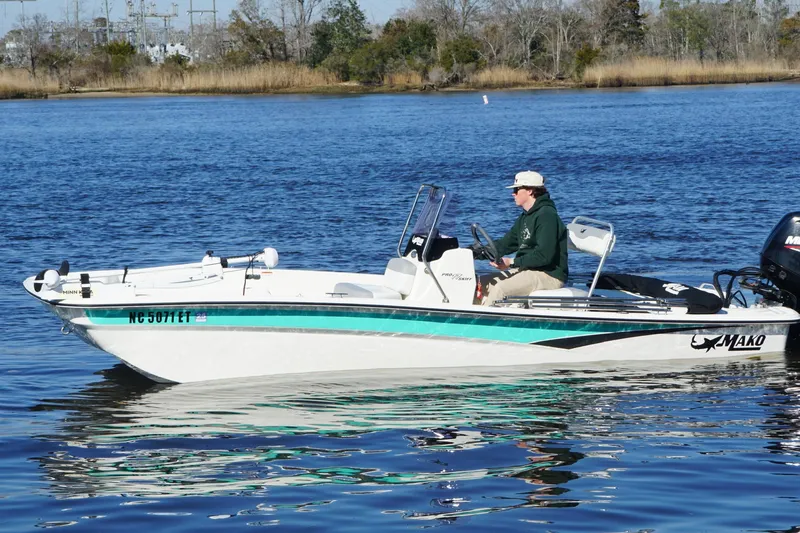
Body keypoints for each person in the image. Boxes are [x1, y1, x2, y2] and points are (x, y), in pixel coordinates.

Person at [477, 170, 569, 306]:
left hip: (549, 274)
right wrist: (473, 252)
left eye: (516, 189)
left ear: (530, 191)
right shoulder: (525, 217)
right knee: (480, 283)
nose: (513, 193)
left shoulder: (547, 216)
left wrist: (511, 262)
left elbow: (544, 256)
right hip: (529, 269)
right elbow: (505, 244)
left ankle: (483, 318)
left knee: (500, 289)